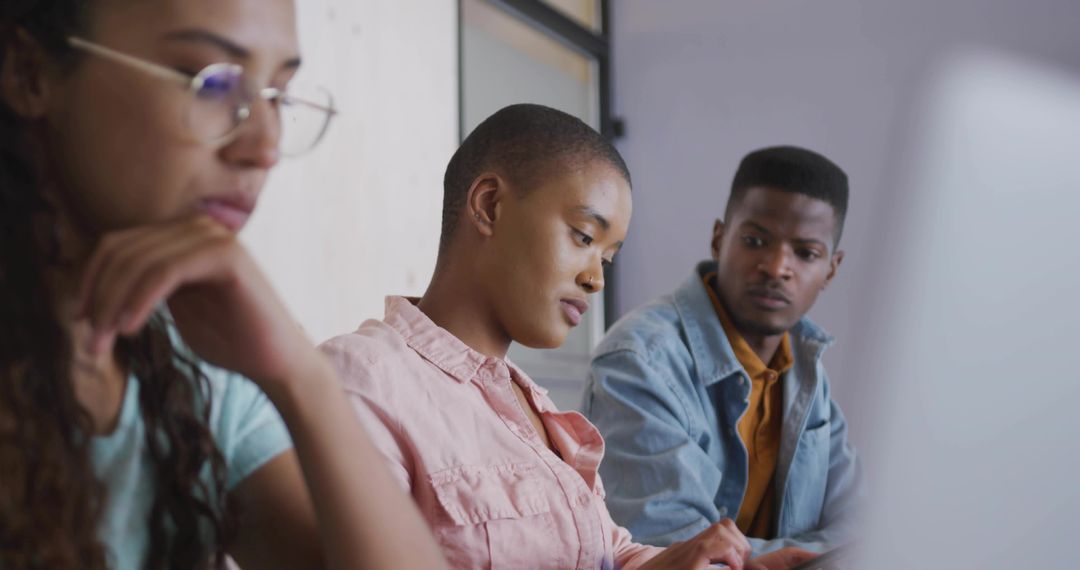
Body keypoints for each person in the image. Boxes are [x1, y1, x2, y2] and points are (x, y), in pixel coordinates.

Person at [0, 1, 446, 568]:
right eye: (209, 83)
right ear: (29, 73)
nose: (264, 147)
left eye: (278, 96)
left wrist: (302, 378)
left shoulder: (193, 365)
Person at [320, 104, 815, 570]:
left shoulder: (533, 410)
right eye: (583, 237)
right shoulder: (361, 380)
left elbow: (606, 553)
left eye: (607, 258)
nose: (595, 279)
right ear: (489, 205)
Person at [583, 146, 861, 554]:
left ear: (830, 270)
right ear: (719, 239)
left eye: (805, 253)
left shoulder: (806, 366)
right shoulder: (638, 361)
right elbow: (674, 550)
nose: (777, 266)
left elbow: (861, 529)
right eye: (755, 240)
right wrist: (812, 554)